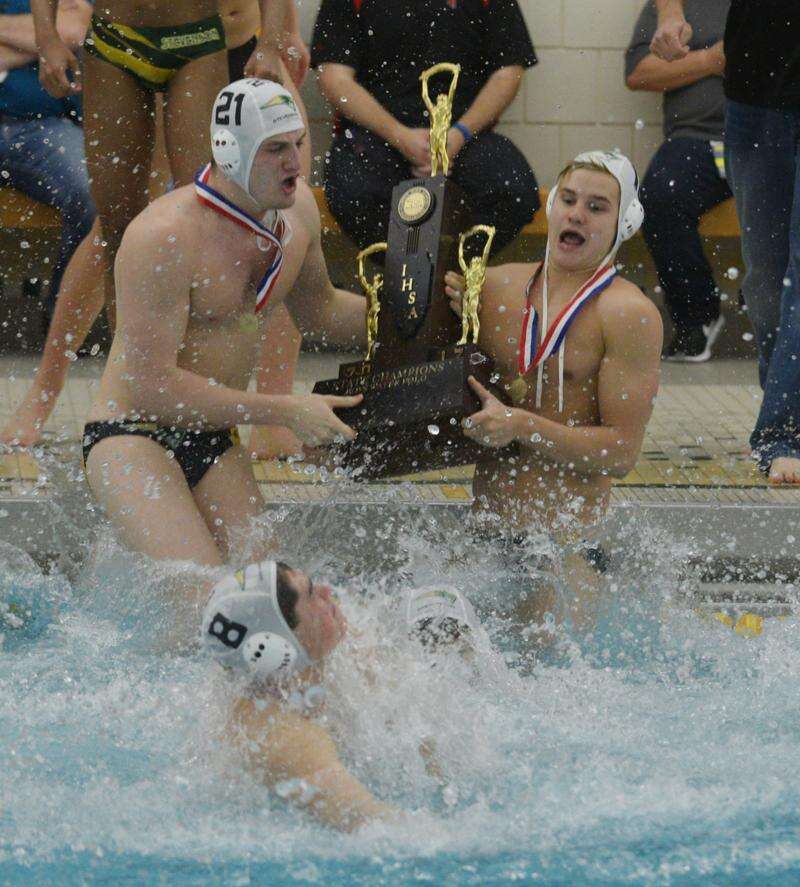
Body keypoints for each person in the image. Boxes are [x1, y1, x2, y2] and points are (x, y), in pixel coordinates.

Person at [82, 78, 367, 577]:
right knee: (202, 596)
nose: (295, 164)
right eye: (275, 149)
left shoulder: (297, 214)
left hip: (211, 435)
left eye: (298, 143)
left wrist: (419, 316)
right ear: (230, 151)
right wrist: (285, 410)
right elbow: (150, 387)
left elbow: (321, 311)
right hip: (131, 434)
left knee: (272, 594)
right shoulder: (165, 235)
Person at [444, 151, 662, 629]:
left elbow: (620, 454)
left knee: (543, 662)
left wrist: (521, 425)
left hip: (565, 550)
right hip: (483, 535)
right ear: (551, 207)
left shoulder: (628, 315)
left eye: (597, 207)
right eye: (568, 199)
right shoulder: (493, 287)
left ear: (623, 223)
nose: (577, 214)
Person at [202, 558, 493, 831]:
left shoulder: (322, 663)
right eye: (311, 594)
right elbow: (377, 826)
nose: (328, 592)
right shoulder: (285, 738)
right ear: (277, 649)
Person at [651, 1, 800, 484]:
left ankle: (784, 432)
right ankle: (784, 405)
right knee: (766, 281)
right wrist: (669, 14)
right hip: (757, 94)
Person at [310, 0, 540, 257]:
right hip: (377, 137)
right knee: (355, 192)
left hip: (465, 138)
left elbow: (508, 73)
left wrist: (457, 136)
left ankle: (454, 272)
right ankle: (407, 275)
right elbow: (333, 78)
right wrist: (400, 136)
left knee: (514, 191)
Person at [625, 0, 731, 363]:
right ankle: (696, 318)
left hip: (768, 138)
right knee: (660, 197)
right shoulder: (672, 6)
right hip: (696, 140)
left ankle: (781, 322)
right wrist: (710, 60)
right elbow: (638, 73)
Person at [0, 0, 94, 310]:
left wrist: (53, 39)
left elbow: (75, 28)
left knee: (93, 187)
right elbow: (60, 35)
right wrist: (46, 42)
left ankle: (63, 319)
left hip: (41, 127)